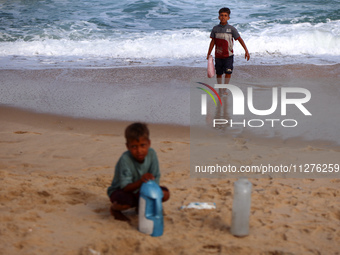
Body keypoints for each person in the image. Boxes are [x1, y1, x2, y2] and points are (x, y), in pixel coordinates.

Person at [107, 122, 170, 222]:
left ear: (149, 143)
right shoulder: (125, 159)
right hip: (123, 191)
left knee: (165, 193)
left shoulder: (152, 154)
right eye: (134, 146)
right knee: (124, 201)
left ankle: (141, 206)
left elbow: (156, 178)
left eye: (142, 145)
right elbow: (125, 187)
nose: (139, 150)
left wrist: (151, 193)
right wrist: (141, 181)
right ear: (128, 146)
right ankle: (114, 210)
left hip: (142, 191)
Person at [207, 7, 250, 94]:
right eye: (221, 15)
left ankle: (225, 89)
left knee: (228, 72)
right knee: (219, 73)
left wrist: (246, 50)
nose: (223, 17)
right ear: (219, 17)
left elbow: (240, 39)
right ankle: (220, 88)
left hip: (228, 56)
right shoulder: (215, 29)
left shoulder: (231, 29)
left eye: (225, 16)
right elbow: (213, 41)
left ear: (228, 17)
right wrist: (209, 53)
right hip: (218, 56)